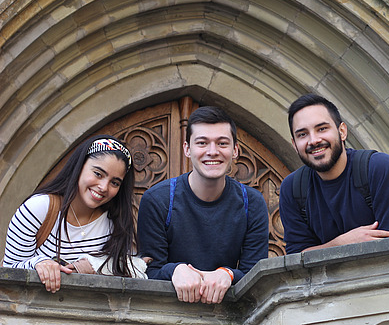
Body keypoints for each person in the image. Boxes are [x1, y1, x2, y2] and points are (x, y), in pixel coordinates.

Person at [137, 106, 269, 304]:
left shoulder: (252, 202)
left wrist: (228, 274)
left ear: (235, 151)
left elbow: (255, 274)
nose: (212, 152)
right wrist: (175, 270)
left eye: (222, 143)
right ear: (187, 149)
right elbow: (148, 271)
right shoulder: (157, 200)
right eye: (202, 143)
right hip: (165, 310)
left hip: (231, 313)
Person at [279, 93, 389, 254]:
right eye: (302, 134)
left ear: (342, 131)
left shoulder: (379, 168)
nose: (313, 140)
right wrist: (342, 243)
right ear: (294, 144)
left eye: (322, 129)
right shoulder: (292, 189)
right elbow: (296, 259)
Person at [3, 135, 139, 292]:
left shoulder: (115, 225)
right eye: (98, 174)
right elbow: (9, 270)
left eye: (115, 183)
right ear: (80, 166)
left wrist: (91, 266)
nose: (103, 187)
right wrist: (39, 263)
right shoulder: (39, 208)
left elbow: (130, 271)